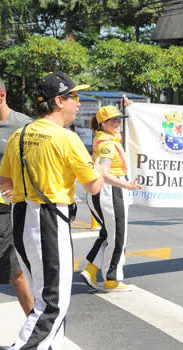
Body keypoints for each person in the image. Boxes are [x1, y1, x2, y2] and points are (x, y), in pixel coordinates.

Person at [0, 72, 105, 349]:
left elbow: (6, 181)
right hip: (48, 220)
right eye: (74, 97)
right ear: (59, 101)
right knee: (53, 303)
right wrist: (102, 168)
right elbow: (94, 186)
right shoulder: (65, 139)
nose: (79, 103)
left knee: (43, 293)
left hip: (20, 217)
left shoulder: (20, 134)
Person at [80, 105, 141, 292]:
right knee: (118, 236)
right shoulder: (107, 143)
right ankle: (112, 280)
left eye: (118, 119)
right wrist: (126, 185)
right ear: (102, 123)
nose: (117, 123)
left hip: (104, 192)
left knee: (109, 233)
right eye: (112, 120)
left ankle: (91, 270)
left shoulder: (106, 138)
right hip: (111, 191)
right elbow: (103, 172)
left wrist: (127, 105)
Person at [0, 77, 34, 317]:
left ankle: (39, 330)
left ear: (1, 95)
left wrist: (18, 186)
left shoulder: (22, 126)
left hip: (7, 210)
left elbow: (35, 166)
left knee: (15, 271)